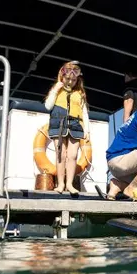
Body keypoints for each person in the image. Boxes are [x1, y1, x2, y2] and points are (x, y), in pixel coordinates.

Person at [44, 61, 91, 197]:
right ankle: (60, 184)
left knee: (73, 155)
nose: (70, 82)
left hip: (75, 125)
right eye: (68, 79)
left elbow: (84, 112)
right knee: (61, 154)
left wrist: (87, 131)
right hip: (58, 125)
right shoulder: (56, 90)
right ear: (62, 77)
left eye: (73, 80)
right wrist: (55, 89)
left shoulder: (80, 93)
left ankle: (69, 183)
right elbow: (48, 106)